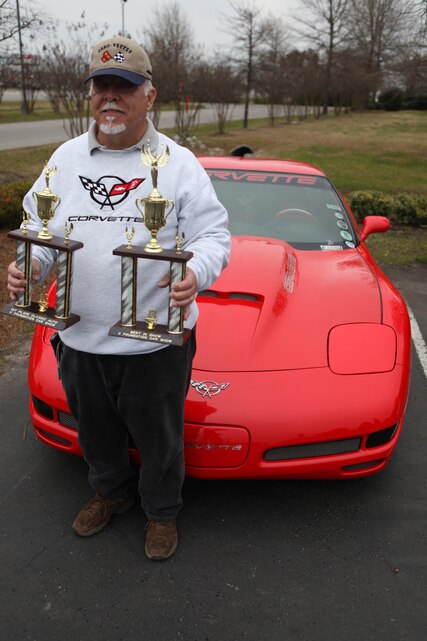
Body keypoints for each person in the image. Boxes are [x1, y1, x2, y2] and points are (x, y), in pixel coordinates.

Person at [7, 36, 230, 561]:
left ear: (149, 96)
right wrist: (29, 267)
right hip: (79, 336)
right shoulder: (64, 159)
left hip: (153, 343)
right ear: (90, 94)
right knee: (96, 433)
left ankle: (160, 512)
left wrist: (195, 271)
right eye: (101, 86)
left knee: (160, 440)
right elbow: (38, 228)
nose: (111, 97)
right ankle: (111, 492)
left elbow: (214, 237)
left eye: (124, 87)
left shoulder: (177, 164)